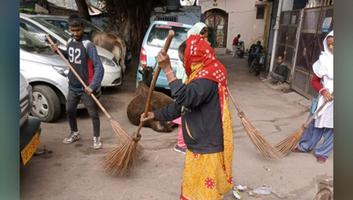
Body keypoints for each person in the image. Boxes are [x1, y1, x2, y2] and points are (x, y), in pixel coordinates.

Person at [141, 34, 234, 199]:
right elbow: (180, 106)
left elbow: (184, 97)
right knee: (193, 191)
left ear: (195, 57)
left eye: (184, 60)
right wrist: (154, 115)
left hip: (207, 147)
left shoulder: (207, 78)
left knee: (206, 194)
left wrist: (168, 69)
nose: (184, 64)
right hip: (198, 144)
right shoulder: (201, 73)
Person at [51, 14, 104, 149]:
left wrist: (93, 86)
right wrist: (58, 51)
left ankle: (96, 137)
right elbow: (70, 55)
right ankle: (75, 133)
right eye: (72, 30)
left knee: (93, 114)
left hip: (86, 87)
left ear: (83, 28)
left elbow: (99, 67)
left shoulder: (88, 45)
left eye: (78, 30)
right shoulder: (70, 42)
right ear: (69, 29)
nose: (75, 33)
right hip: (73, 86)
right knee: (69, 110)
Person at [294, 31, 334, 163]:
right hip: (325, 97)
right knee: (315, 124)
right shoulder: (323, 60)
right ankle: (304, 146)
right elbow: (315, 81)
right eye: (330, 45)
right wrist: (323, 91)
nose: (332, 47)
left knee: (332, 129)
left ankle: (322, 152)